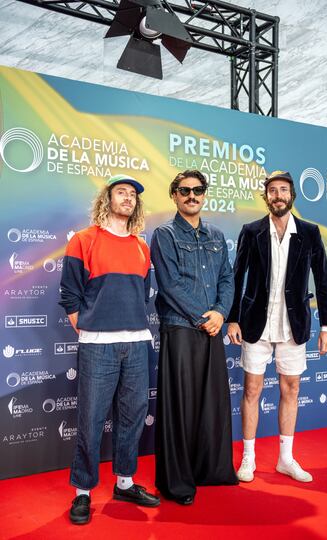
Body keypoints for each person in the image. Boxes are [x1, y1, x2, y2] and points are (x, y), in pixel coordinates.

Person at [59, 174, 160, 525]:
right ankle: (83, 492)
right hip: (97, 346)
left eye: (133, 195)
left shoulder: (140, 246)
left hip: (136, 344)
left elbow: (143, 292)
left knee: (132, 418)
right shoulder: (84, 241)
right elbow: (69, 293)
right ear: (108, 199)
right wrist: (85, 324)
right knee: (90, 420)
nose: (128, 199)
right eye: (122, 193)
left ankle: (125, 482)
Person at [227, 170, 327, 483]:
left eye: (283, 190)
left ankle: (286, 458)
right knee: (251, 389)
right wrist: (233, 317)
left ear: (292, 196)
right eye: (272, 190)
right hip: (255, 324)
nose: (278, 195)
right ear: (266, 196)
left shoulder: (310, 232)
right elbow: (237, 276)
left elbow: (323, 279)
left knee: (292, 388)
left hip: (294, 323)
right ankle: (249, 458)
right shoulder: (251, 231)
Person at [151, 169, 238, 505]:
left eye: (198, 190)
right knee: (181, 408)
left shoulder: (217, 235)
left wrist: (220, 314)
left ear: (205, 194)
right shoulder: (164, 234)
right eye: (184, 190)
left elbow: (227, 280)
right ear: (174, 195)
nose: (192, 195)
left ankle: (212, 471)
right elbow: (170, 285)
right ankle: (178, 483)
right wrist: (206, 318)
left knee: (211, 406)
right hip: (181, 328)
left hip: (212, 328)